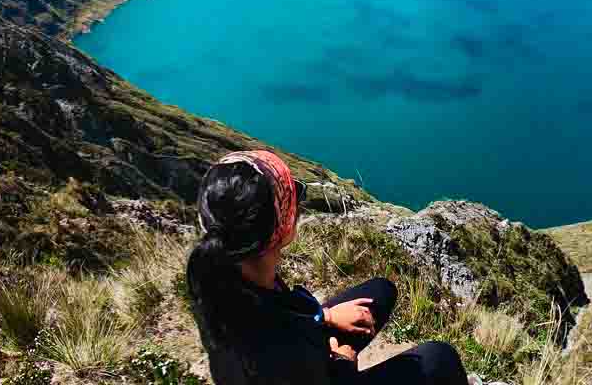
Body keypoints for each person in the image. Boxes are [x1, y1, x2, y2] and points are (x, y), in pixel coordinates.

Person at [187, 150, 469, 385]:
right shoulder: (280, 353)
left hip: (303, 354)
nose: (297, 197)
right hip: (313, 371)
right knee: (439, 359)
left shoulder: (215, 275)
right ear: (279, 227)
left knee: (380, 292)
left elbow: (279, 310)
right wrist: (343, 362)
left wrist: (325, 316)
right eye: (292, 193)